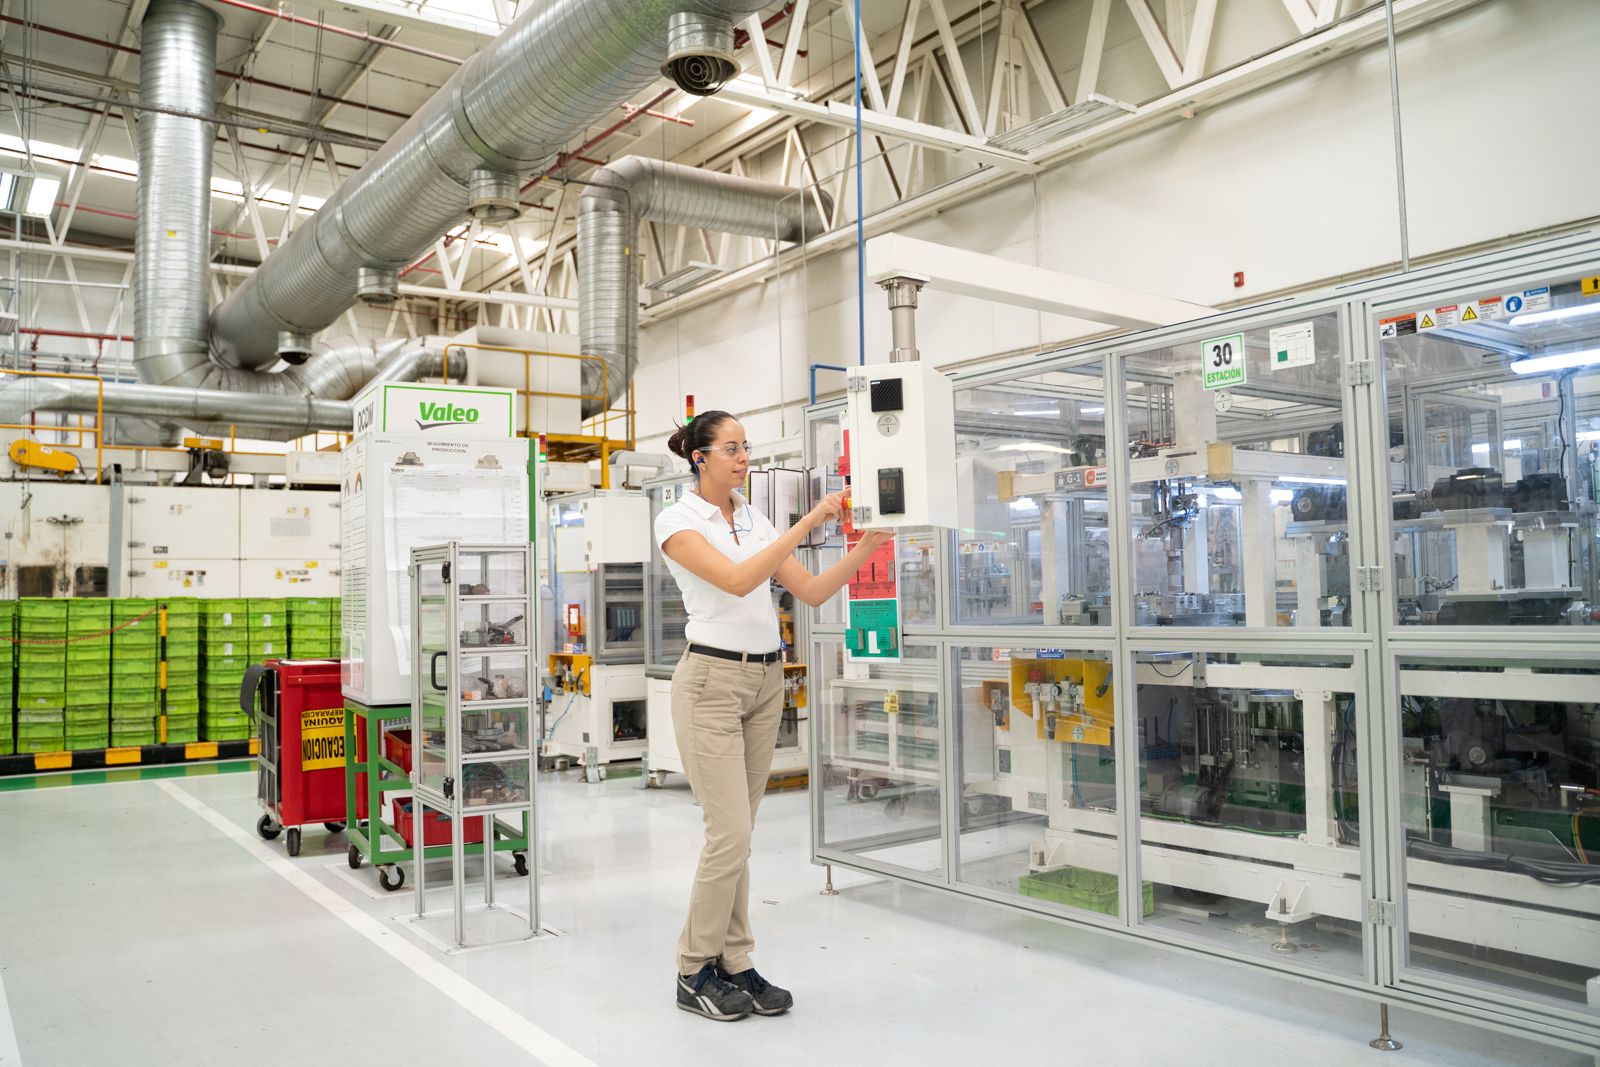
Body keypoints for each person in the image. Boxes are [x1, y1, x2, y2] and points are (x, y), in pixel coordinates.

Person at [655, 409, 891, 1022]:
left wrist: (867, 546)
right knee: (727, 834)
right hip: (710, 680)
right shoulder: (677, 522)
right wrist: (811, 519)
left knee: (740, 839)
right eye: (731, 448)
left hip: (766, 679)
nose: (743, 457)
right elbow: (737, 582)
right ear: (699, 457)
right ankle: (692, 968)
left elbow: (808, 592)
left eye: (745, 447)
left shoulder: (754, 518)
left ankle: (734, 961)